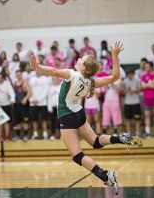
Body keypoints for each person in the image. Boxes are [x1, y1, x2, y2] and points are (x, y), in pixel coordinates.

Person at [29, 41, 142, 195]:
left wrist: (38, 67)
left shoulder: (72, 74)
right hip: (78, 113)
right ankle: (121, 138)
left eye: (81, 59)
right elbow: (115, 76)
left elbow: (54, 71)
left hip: (67, 116)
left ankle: (105, 175)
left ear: (82, 67)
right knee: (95, 142)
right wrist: (115, 56)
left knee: (77, 156)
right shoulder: (90, 82)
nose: (78, 59)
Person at [0, 72, 15, 141]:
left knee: (6, 122)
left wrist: (12, 99)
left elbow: (12, 93)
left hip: (6, 105)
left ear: (3, 78)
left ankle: (7, 136)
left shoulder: (7, 84)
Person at [29, 69, 50, 139]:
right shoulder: (31, 79)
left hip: (43, 103)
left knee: (44, 119)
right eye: (37, 70)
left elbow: (46, 91)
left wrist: (38, 100)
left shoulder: (45, 79)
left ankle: (45, 134)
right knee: (34, 119)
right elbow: (29, 90)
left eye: (39, 70)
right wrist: (32, 100)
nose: (38, 71)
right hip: (33, 103)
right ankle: (35, 134)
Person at [12, 70, 32, 141]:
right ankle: (17, 135)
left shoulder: (24, 83)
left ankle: (26, 135)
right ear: (16, 75)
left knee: (25, 120)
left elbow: (30, 92)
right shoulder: (14, 83)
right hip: (16, 104)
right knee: (17, 121)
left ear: (21, 75)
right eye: (17, 74)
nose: (18, 76)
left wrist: (25, 99)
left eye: (20, 74)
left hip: (23, 105)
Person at [122, 69, 142, 137]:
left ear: (133, 74)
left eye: (131, 74)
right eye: (128, 74)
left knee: (137, 118)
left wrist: (134, 90)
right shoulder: (124, 81)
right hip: (127, 102)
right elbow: (122, 91)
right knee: (127, 118)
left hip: (136, 102)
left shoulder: (137, 80)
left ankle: (137, 132)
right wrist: (127, 90)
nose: (129, 76)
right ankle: (128, 133)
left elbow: (140, 89)